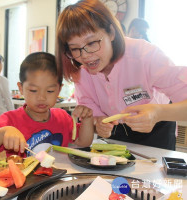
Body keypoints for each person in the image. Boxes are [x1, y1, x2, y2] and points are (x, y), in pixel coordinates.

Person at [56, 0, 187, 150]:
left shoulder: (144, 55)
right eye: (75, 48)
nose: (85, 56)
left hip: (157, 129)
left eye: (92, 43)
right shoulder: (80, 68)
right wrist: (98, 121)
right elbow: (90, 107)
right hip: (117, 131)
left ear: (111, 33)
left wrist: (158, 113)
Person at [0, 52, 94, 157]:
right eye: (33, 90)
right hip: (23, 179)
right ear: (21, 88)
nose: (42, 98)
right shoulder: (11, 120)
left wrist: (87, 119)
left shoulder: (62, 117)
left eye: (50, 91)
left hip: (58, 177)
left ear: (59, 90)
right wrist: (4, 132)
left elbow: (83, 142)